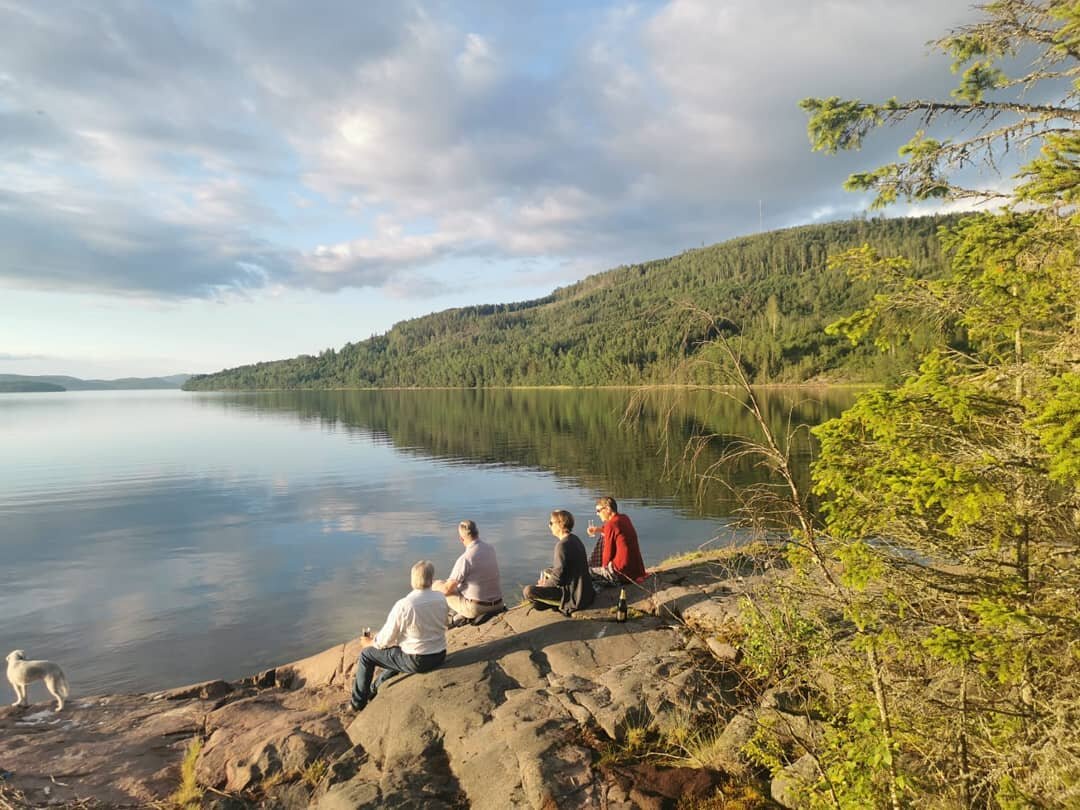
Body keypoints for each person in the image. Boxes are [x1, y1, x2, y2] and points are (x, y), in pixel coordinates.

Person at [350, 560, 447, 712]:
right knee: (397, 652)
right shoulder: (441, 598)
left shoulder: (405, 604)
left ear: (412, 579)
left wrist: (369, 642)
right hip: (440, 654)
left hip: (417, 660)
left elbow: (384, 641)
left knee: (367, 655)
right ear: (432, 579)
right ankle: (375, 688)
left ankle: (357, 704)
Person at [523, 510, 595, 615]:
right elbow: (564, 570)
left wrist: (543, 586)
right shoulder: (575, 539)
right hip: (585, 592)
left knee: (528, 591)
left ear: (560, 524)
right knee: (548, 570)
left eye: (551, 523)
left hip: (573, 596)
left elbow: (558, 578)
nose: (549, 525)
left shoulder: (562, 546)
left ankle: (556, 604)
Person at [433, 519, 503, 621]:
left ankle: (446, 621)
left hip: (478, 608)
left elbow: (447, 590)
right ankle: (459, 615)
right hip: (499, 604)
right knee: (460, 586)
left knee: (440, 586)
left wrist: (434, 586)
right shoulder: (490, 549)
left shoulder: (466, 558)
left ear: (461, 539)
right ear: (477, 533)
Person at [586, 496, 647, 584]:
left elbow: (608, 553)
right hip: (636, 571)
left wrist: (604, 569)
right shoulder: (624, 518)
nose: (597, 514)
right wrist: (598, 530)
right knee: (603, 536)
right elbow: (615, 532)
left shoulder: (610, 525)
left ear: (607, 509)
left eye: (598, 511)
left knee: (585, 573)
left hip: (622, 573)